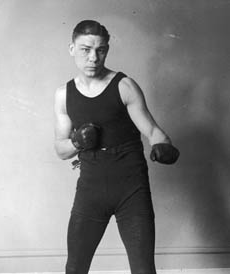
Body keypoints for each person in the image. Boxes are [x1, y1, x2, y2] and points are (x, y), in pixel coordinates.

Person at [54, 20, 179, 274]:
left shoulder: (124, 86)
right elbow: (60, 150)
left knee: (143, 269)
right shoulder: (63, 95)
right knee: (75, 268)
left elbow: (154, 131)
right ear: (71, 49)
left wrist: (162, 145)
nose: (93, 57)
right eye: (85, 49)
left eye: (100, 50)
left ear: (107, 51)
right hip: (91, 191)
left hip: (131, 190)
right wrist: (77, 141)